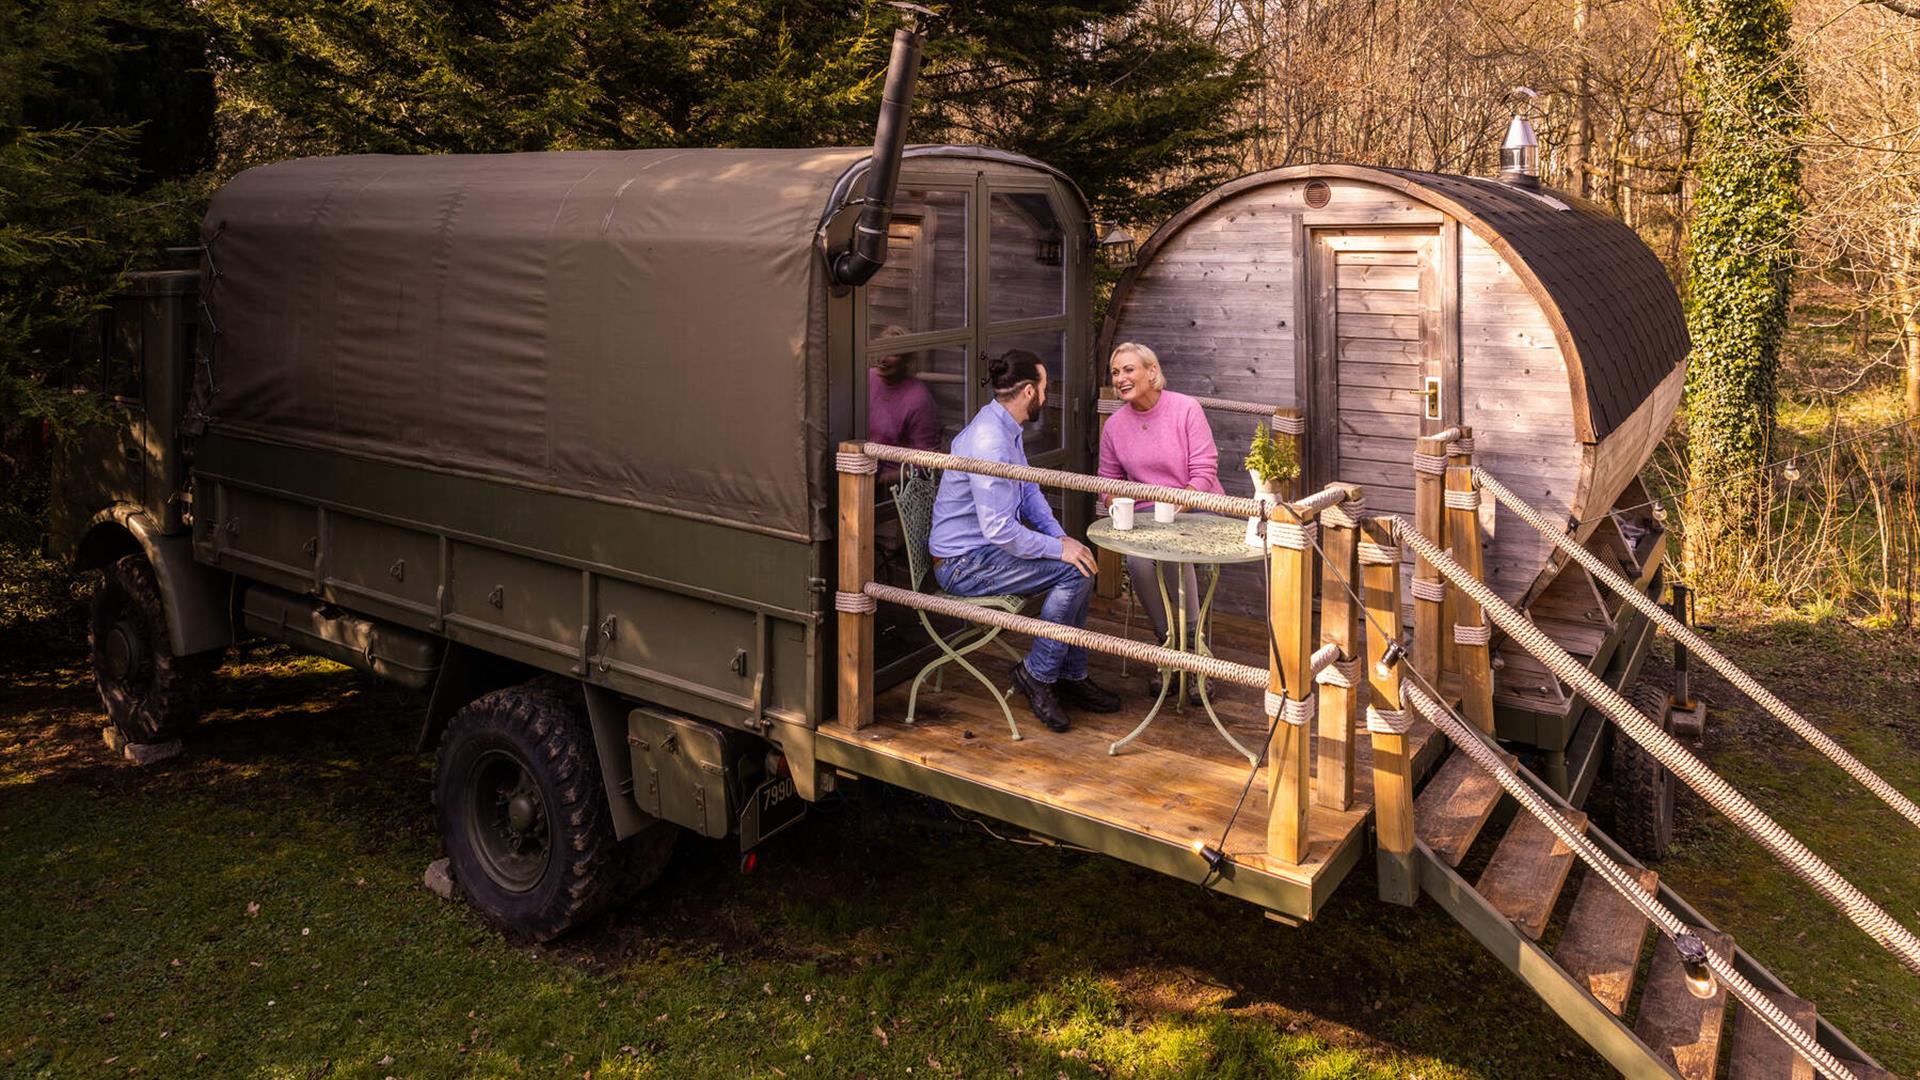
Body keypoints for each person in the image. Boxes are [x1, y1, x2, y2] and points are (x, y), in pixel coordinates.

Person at [930, 350, 1119, 732]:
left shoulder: (1004, 428)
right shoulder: (990, 441)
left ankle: (1070, 674)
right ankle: (1040, 673)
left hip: (982, 552)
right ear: (1030, 391)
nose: (1047, 398)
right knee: (1074, 573)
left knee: (1079, 561)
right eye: (1046, 389)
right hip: (963, 564)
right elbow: (999, 529)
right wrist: (1059, 551)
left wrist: (1060, 537)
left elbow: (1028, 491)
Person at [1097, 342, 1222, 701]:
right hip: (1146, 515)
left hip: (1194, 505)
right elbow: (1107, 479)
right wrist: (1113, 501)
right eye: (1116, 372)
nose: (1121, 378)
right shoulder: (1115, 426)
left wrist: (1175, 508)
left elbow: (1203, 472)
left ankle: (1195, 656)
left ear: (1152, 372)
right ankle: (1167, 646)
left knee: (1174, 552)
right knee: (1137, 563)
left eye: (1129, 369)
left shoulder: (1186, 409)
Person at [868, 325, 940, 481]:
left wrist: (879, 481)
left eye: (892, 353)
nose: (883, 358)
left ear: (907, 361)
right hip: (862, 471)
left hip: (893, 488)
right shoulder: (868, 378)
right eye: (881, 348)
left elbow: (928, 462)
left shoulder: (918, 399)